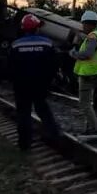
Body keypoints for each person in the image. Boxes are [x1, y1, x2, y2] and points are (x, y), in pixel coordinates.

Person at [9, 14, 61, 150]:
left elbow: (9, 67)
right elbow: (54, 65)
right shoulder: (47, 43)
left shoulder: (15, 45)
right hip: (40, 85)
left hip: (21, 86)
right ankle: (54, 136)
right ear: (37, 28)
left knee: (23, 114)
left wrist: (15, 82)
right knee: (43, 109)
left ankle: (24, 144)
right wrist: (48, 81)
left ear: (24, 29)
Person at [70, 10, 97, 134]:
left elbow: (87, 54)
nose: (83, 27)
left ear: (90, 24)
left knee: (84, 104)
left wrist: (74, 54)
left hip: (87, 74)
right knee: (88, 103)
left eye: (84, 24)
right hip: (95, 73)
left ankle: (95, 130)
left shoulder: (92, 37)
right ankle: (89, 128)